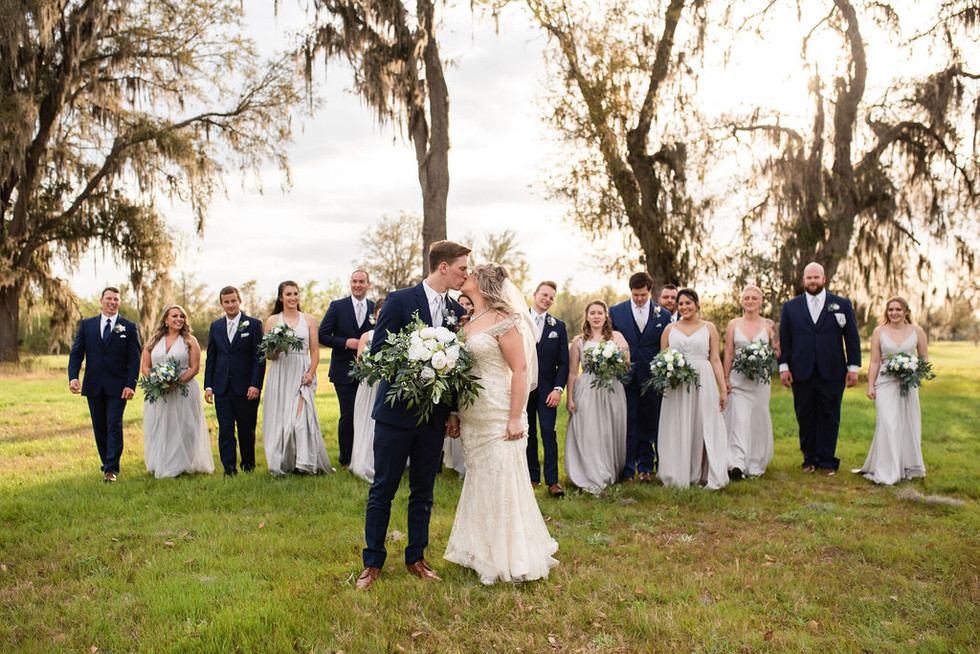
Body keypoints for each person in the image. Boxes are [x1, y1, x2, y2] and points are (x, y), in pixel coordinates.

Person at [357, 241, 470, 590]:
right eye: (462, 268)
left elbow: (455, 365)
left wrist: (451, 410)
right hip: (395, 414)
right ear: (443, 267)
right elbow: (379, 353)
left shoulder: (455, 311)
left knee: (424, 491)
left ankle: (416, 558)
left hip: (434, 418)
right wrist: (417, 362)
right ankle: (372, 562)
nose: (466, 274)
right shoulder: (400, 300)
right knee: (383, 490)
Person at [443, 263, 559, 585]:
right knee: (480, 478)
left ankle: (512, 556)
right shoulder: (468, 323)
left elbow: (520, 370)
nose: (465, 275)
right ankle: (482, 550)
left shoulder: (503, 318)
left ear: (483, 283)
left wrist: (513, 417)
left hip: (499, 412)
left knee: (503, 480)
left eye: (472, 272)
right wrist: (453, 411)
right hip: (473, 415)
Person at [778, 262, 861, 475]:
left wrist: (853, 368)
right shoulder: (790, 307)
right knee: (805, 415)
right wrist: (784, 367)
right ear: (803, 280)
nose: (812, 281)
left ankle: (827, 460)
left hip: (832, 370)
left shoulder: (841, 304)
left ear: (824, 279)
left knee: (830, 414)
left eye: (816, 277)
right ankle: (809, 459)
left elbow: (852, 338)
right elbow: (784, 340)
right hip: (801, 370)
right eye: (809, 278)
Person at [657, 289, 729, 490]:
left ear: (697, 304)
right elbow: (662, 359)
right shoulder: (670, 330)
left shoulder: (709, 328)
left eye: (688, 303)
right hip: (677, 385)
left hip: (703, 380)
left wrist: (722, 389)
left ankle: (700, 474)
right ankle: (677, 471)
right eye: (681, 304)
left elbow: (715, 359)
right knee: (678, 425)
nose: (684, 307)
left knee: (702, 425)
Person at [68, 286, 142, 482]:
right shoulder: (87, 325)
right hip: (93, 385)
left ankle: (111, 469)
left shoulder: (129, 327)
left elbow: (135, 359)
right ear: (101, 301)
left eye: (116, 299)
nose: (112, 302)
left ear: (120, 302)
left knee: (113, 425)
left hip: (119, 387)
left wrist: (131, 385)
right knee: (99, 427)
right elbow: (77, 353)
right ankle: (106, 463)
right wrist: (73, 377)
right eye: (109, 298)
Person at [262, 281, 333, 476]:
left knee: (299, 420)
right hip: (280, 373)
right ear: (280, 297)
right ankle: (284, 462)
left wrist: (311, 372)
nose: (292, 298)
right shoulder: (272, 321)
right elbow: (269, 355)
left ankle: (305, 463)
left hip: (302, 372)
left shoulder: (309, 320)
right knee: (282, 421)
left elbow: (315, 351)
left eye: (295, 294)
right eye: (288, 294)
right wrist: (277, 345)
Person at [854, 297, 928, 484]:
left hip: (907, 384)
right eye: (890, 310)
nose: (894, 313)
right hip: (885, 381)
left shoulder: (917, 331)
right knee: (888, 423)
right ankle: (888, 470)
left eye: (898, 309)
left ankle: (907, 465)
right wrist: (870, 385)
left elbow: (924, 360)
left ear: (906, 312)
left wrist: (913, 373)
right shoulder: (879, 332)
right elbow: (874, 361)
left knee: (907, 423)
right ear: (887, 312)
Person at [608, 272, 671, 482]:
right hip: (626, 377)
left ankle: (645, 468)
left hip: (651, 377)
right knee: (628, 423)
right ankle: (627, 470)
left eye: (643, 295)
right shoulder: (616, 312)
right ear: (630, 291)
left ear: (649, 291)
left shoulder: (663, 314)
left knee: (649, 424)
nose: (639, 299)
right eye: (635, 295)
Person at [140, 305, 215, 478]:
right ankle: (161, 461)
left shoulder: (190, 340)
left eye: (182, 316)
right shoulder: (153, 341)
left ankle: (180, 464)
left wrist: (176, 383)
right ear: (165, 319)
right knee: (159, 425)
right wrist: (156, 380)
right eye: (175, 316)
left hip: (184, 389)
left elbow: (195, 367)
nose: (179, 319)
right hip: (159, 391)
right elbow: (145, 366)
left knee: (182, 426)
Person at [564, 300, 628, 492]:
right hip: (587, 389)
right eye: (593, 313)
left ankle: (608, 469)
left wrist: (612, 361)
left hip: (611, 387)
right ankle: (590, 472)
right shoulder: (579, 341)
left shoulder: (617, 337)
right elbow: (573, 372)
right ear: (587, 316)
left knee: (608, 430)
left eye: (600, 313)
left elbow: (626, 364)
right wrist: (570, 398)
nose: (597, 316)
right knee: (589, 430)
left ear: (606, 316)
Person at [204, 286, 265, 476]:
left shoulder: (253, 325)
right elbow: (211, 358)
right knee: (225, 430)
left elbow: (259, 358)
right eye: (226, 302)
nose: (230, 305)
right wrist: (208, 386)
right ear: (222, 304)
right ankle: (229, 468)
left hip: (246, 387)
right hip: (222, 388)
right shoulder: (215, 326)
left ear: (239, 301)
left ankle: (248, 465)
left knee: (246, 429)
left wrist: (255, 384)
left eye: (233, 301)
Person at [319, 270, 375, 469]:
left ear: (368, 284)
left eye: (361, 281)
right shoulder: (337, 306)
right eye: (354, 281)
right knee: (348, 414)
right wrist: (346, 343)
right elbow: (322, 335)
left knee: (367, 414)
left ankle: (364, 455)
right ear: (350, 283)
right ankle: (346, 459)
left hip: (370, 373)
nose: (357, 285)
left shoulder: (373, 307)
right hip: (343, 370)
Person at [722, 285, 777, 479]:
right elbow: (728, 353)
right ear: (742, 301)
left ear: (761, 302)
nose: (750, 301)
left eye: (754, 298)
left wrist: (764, 356)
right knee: (739, 418)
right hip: (738, 381)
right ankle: (736, 462)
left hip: (760, 382)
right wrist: (725, 379)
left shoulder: (769, 325)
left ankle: (755, 461)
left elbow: (777, 350)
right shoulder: (733, 324)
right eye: (747, 298)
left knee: (758, 418)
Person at [526, 281, 570, 497]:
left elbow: (564, 363)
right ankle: (532, 478)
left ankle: (552, 481)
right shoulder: (519, 319)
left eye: (551, 297)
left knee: (548, 432)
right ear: (535, 294)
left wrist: (558, 389)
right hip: (523, 387)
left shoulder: (558, 326)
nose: (547, 299)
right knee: (527, 433)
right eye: (544, 294)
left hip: (547, 389)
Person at [350, 300, 384, 483]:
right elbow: (360, 363)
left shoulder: (395, 334)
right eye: (380, 311)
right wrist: (370, 364)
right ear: (375, 314)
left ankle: (383, 465)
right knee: (365, 423)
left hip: (385, 386)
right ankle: (363, 463)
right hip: (368, 385)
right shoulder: (366, 336)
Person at [442, 293, 473, 478]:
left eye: (467, 303)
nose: (464, 307)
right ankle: (460, 464)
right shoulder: (452, 329)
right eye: (460, 304)